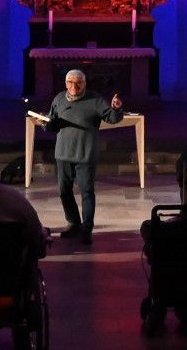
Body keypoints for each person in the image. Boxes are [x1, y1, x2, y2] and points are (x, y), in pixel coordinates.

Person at [41, 69, 122, 244]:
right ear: (65, 83)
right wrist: (46, 125)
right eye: (70, 82)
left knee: (86, 191)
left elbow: (112, 118)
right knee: (64, 191)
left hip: (85, 154)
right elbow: (52, 123)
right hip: (63, 153)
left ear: (84, 84)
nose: (74, 86)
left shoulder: (94, 99)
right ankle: (73, 223)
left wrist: (116, 108)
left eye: (78, 82)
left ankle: (86, 228)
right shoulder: (59, 99)